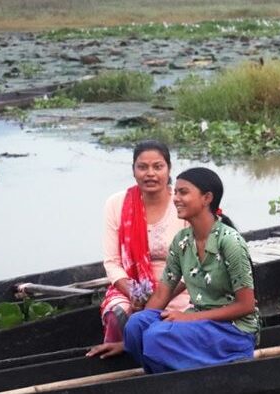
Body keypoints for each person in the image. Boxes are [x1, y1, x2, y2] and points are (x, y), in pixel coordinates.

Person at [121, 167, 259, 373]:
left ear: (207, 198)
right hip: (199, 322)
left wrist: (189, 318)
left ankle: (173, 379)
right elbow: (162, 293)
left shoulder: (230, 241)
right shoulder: (182, 241)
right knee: (136, 325)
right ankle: (166, 374)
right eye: (175, 192)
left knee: (155, 338)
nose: (175, 198)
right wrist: (127, 341)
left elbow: (246, 305)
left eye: (183, 192)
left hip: (233, 329)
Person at [87, 140, 190, 358]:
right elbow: (112, 262)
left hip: (177, 287)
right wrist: (133, 293)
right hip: (131, 286)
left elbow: (193, 267)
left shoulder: (182, 203)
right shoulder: (117, 203)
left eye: (158, 167)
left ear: (169, 169)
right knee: (119, 314)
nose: (150, 173)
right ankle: (120, 361)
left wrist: (158, 298)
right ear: (133, 170)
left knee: (166, 322)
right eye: (142, 167)